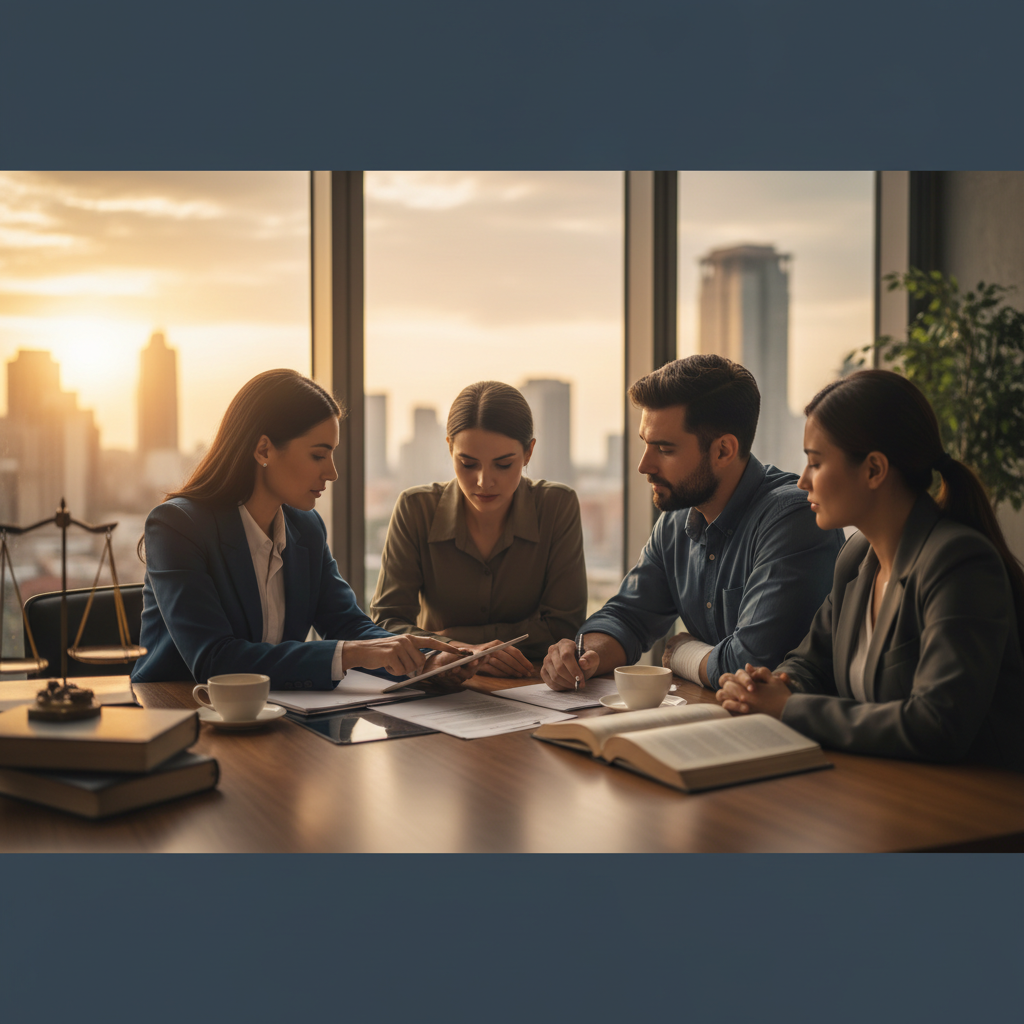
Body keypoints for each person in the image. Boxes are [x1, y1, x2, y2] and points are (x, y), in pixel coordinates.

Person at [716, 369, 1024, 771]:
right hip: (884, 788)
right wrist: (772, 686)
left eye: (815, 463)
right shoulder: (858, 556)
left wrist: (789, 708)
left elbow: (939, 724)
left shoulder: (960, 563)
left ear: (874, 470)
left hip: (976, 808)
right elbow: (811, 661)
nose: (802, 482)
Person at [132, 369, 486, 689]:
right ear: (263, 449)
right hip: (179, 712)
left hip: (276, 714)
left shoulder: (306, 527)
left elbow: (349, 626)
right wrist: (348, 655)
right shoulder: (177, 527)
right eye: (319, 455)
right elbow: (214, 660)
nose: (331, 472)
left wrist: (427, 661)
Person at [540, 354, 844, 691]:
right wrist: (585, 655)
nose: (644, 465)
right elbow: (627, 615)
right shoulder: (677, 521)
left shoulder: (794, 518)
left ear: (723, 451)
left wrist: (682, 652)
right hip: (713, 721)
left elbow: (753, 666)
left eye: (665, 449)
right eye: (645, 444)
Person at [370, 380, 587, 675]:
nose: (484, 481)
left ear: (528, 453)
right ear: (450, 448)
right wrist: (465, 650)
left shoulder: (557, 506)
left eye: (503, 464)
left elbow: (564, 627)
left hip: (531, 686)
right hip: (441, 684)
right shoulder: (415, 508)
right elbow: (387, 624)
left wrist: (449, 641)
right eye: (468, 463)